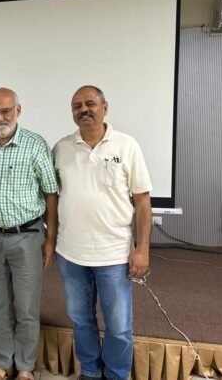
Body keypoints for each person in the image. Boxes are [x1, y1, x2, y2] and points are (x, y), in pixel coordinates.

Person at [52, 85, 152, 380]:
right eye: (77, 106)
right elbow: (52, 198)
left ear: (105, 107)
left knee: (118, 326)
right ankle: (91, 372)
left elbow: (142, 201)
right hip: (71, 253)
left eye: (90, 103)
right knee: (81, 319)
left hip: (114, 254)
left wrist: (143, 249)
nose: (83, 110)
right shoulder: (61, 148)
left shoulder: (127, 145)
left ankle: (117, 374)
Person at [0, 88, 58, 380]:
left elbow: (51, 194)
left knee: (26, 307)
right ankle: (3, 364)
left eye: (5, 111)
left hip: (27, 236)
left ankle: (24, 368)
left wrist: (51, 239)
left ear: (18, 111)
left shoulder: (35, 144)